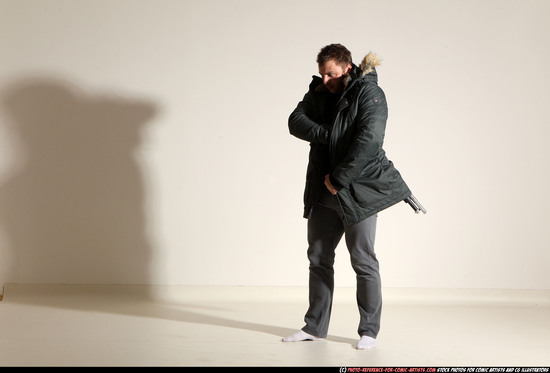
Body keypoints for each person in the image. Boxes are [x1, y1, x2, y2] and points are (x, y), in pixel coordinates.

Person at [283, 44, 411, 350]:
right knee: (318, 258)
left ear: (348, 68)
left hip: (358, 191)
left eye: (332, 73)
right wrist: (331, 135)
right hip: (323, 193)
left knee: (363, 260)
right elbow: (295, 121)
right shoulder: (319, 93)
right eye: (322, 73)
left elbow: (368, 141)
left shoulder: (370, 94)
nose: (326, 79)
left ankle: (369, 331)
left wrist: (339, 178)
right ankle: (314, 327)